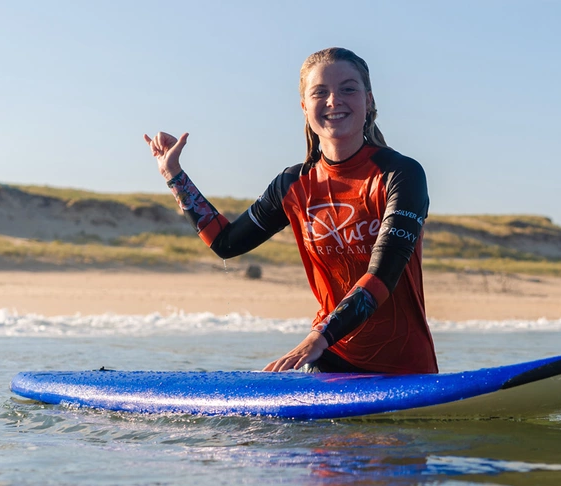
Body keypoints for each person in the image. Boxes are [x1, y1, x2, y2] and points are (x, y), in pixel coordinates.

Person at [144, 47, 436, 374]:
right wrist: (174, 176)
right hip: (329, 359)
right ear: (304, 107)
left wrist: (318, 337)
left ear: (368, 101)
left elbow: (383, 274)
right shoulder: (293, 185)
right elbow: (225, 242)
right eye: (320, 92)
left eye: (348, 89)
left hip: (405, 370)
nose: (334, 100)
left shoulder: (401, 175)